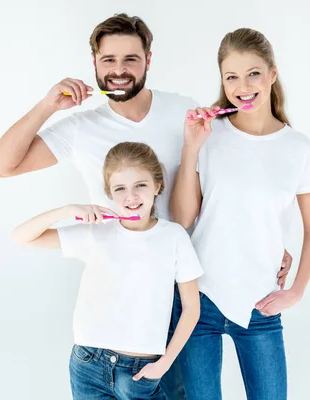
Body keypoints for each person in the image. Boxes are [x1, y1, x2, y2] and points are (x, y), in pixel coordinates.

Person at [0, 13, 294, 398]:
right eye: (108, 60)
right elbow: (0, 166)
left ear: (149, 59)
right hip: (119, 297)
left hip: (182, 292)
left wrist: (264, 241)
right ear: (94, 64)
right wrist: (48, 105)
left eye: (131, 59)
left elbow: (227, 180)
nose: (119, 70)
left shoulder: (182, 110)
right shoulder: (80, 128)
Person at [170, 28, 310, 400]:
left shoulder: (298, 148)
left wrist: (298, 290)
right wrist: (192, 147)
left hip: (260, 304)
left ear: (272, 73)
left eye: (253, 73)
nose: (243, 86)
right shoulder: (209, 134)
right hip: (198, 300)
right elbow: (181, 219)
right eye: (231, 77)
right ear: (222, 81)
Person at [12, 142, 203, 399]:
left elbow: (192, 308)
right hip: (87, 362)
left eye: (140, 185)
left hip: (140, 370)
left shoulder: (173, 237)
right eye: (120, 188)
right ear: (109, 193)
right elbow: (22, 237)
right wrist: (68, 210)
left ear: (157, 186)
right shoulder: (96, 234)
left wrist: (165, 363)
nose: (130, 196)